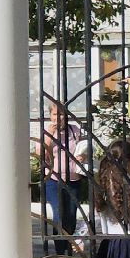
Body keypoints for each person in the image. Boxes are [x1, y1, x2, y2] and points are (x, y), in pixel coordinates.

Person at [37, 101, 88, 246]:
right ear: (50, 116)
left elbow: (84, 147)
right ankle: (60, 253)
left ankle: (68, 250)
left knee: (71, 215)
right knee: (58, 214)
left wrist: (82, 156)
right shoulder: (46, 132)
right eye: (55, 114)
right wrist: (50, 135)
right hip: (53, 179)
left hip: (73, 179)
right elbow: (39, 154)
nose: (58, 118)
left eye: (61, 114)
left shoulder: (74, 130)